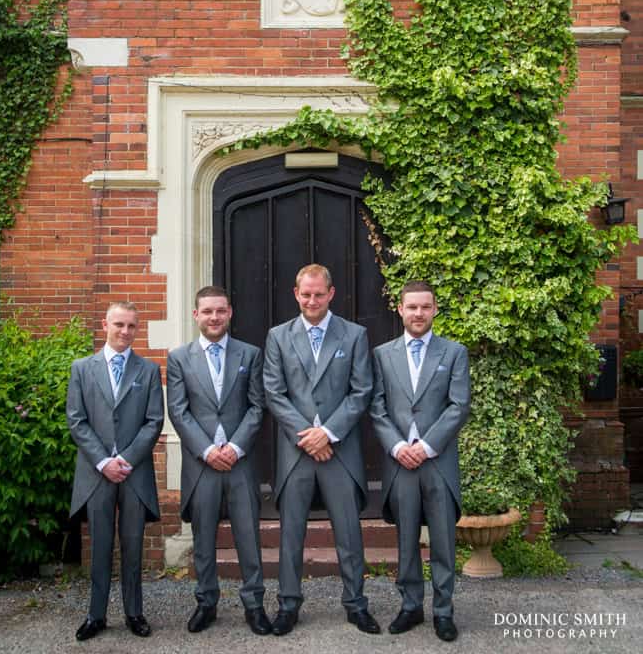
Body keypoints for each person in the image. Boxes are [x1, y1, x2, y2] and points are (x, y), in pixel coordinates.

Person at [263, 263, 380, 636]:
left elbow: (361, 391)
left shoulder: (354, 335)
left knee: (349, 532)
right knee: (291, 532)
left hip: (339, 451)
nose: (312, 300)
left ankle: (356, 604)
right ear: (296, 294)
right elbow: (274, 393)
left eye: (319, 294)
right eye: (305, 294)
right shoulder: (279, 336)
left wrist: (327, 433)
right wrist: (308, 436)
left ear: (331, 294)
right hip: (296, 452)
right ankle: (287, 605)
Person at [370, 281, 470, 643]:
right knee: (406, 538)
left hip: (437, 462)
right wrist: (398, 447)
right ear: (400, 309)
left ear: (435, 309)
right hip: (400, 463)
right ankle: (410, 606)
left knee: (443, 540)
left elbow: (459, 406)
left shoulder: (454, 352)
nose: (418, 313)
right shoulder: (383, 354)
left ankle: (443, 611)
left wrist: (426, 446)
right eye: (412, 307)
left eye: (425, 307)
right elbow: (377, 406)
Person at [166, 286, 270, 635]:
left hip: (240, 463)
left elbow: (258, 406)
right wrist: (208, 451)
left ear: (230, 313)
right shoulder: (180, 357)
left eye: (220, 311)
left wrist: (235, 448)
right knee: (204, 538)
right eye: (207, 311)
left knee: (248, 537)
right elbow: (178, 411)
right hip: (202, 465)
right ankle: (206, 602)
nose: (214, 317)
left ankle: (254, 604)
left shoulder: (250, 354)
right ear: (196, 315)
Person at [66, 301, 164, 642]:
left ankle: (134, 612)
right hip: (96, 473)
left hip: (133, 473)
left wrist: (126, 459)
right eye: (119, 324)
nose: (125, 332)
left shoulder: (149, 370)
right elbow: (76, 421)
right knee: (101, 545)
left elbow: (154, 421)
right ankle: (96, 615)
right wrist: (103, 461)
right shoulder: (82, 368)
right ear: (105, 324)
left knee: (134, 545)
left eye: (131, 326)